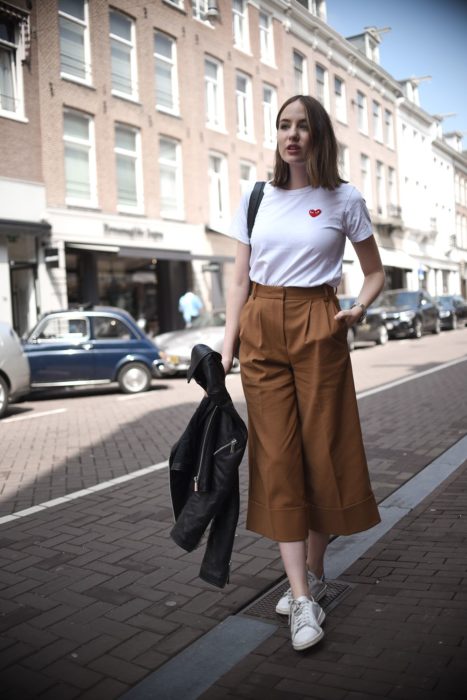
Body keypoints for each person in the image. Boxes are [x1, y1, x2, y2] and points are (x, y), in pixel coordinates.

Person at [221, 95, 385, 652]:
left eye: (303, 127)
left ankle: (311, 573)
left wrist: (356, 309)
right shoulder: (255, 197)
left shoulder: (345, 198)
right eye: (284, 126)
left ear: (319, 136)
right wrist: (227, 346)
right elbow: (240, 278)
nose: (292, 135)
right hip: (262, 323)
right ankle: (303, 597)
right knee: (277, 457)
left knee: (323, 451)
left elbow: (374, 271)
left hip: (321, 320)